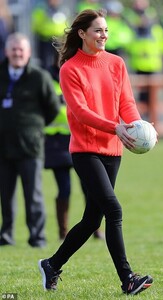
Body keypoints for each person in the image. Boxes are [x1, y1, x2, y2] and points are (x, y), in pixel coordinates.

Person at [38, 9, 154, 295]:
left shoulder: (116, 63)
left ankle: (52, 264)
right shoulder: (70, 69)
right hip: (85, 150)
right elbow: (80, 112)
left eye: (106, 31)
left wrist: (139, 128)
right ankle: (128, 279)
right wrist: (114, 127)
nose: (104, 35)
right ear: (82, 34)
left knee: (93, 219)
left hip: (114, 150)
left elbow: (126, 102)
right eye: (98, 31)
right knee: (114, 210)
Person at [0, 32, 60, 247]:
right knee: (5, 195)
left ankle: (37, 236)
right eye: (13, 49)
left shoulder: (39, 77)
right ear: (7, 51)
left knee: (33, 194)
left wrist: (34, 128)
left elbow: (52, 108)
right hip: (3, 145)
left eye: (21, 50)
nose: (17, 53)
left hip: (30, 145)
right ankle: (5, 235)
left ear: (28, 53)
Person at [44, 54, 104, 240]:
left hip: (79, 139)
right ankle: (63, 232)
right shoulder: (47, 80)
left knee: (89, 187)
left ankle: (95, 228)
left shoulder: (79, 76)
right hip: (56, 143)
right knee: (65, 188)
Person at [31, 0, 70, 69]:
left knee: (59, 62)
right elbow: (36, 24)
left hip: (59, 39)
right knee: (44, 62)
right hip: (45, 39)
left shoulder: (63, 9)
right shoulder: (41, 9)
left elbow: (66, 24)